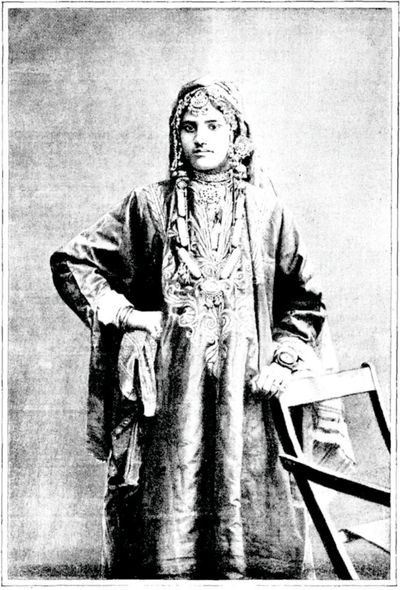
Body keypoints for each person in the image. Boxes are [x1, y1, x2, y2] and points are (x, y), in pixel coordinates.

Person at [50, 77, 352, 580]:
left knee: (249, 505)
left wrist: (284, 360)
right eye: (189, 127)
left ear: (236, 135)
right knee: (169, 511)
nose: (201, 138)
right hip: (171, 391)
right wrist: (128, 317)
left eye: (214, 126)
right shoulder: (147, 205)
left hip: (248, 390)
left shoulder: (267, 211)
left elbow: (306, 298)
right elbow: (73, 262)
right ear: (177, 137)